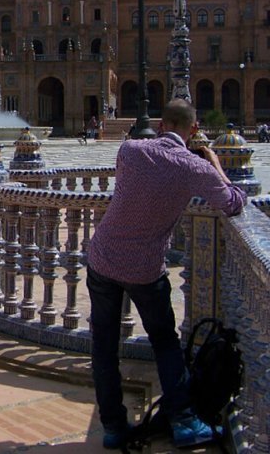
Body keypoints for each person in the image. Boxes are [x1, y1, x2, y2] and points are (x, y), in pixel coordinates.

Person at [86, 99, 247, 450]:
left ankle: (113, 427)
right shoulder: (195, 168)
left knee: (103, 345)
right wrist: (216, 166)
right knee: (164, 341)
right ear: (193, 130)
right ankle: (184, 422)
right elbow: (234, 202)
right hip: (143, 267)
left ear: (160, 125)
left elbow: (128, 192)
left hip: (103, 256)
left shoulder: (129, 150)